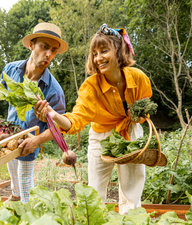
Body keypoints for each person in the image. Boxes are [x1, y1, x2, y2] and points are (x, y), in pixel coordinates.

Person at [35, 24, 152, 214]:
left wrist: (137, 117)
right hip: (102, 137)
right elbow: (75, 121)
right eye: (95, 53)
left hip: (130, 132)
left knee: (132, 191)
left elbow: (145, 106)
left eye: (104, 51)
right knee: (95, 193)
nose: (98, 58)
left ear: (119, 51)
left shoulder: (138, 78)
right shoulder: (91, 87)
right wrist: (54, 115)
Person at [0, 22, 68, 203]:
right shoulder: (12, 69)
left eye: (53, 50)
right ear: (31, 45)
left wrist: (37, 140)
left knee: (25, 183)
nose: (49, 54)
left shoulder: (53, 90)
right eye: (44, 47)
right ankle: (15, 200)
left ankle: (30, 221)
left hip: (28, 141)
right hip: (8, 136)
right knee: (14, 180)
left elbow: (59, 126)